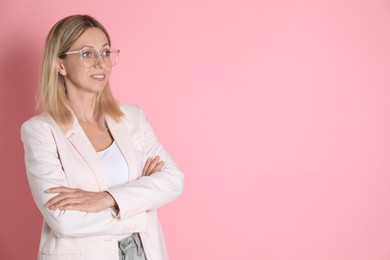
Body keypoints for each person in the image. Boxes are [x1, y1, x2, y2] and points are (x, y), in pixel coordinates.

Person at [21, 14, 184, 260]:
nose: (101, 63)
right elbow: (64, 222)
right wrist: (140, 206)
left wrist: (106, 199)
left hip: (143, 251)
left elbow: (173, 181)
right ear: (60, 65)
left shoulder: (132, 117)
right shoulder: (41, 132)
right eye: (87, 54)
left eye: (106, 52)